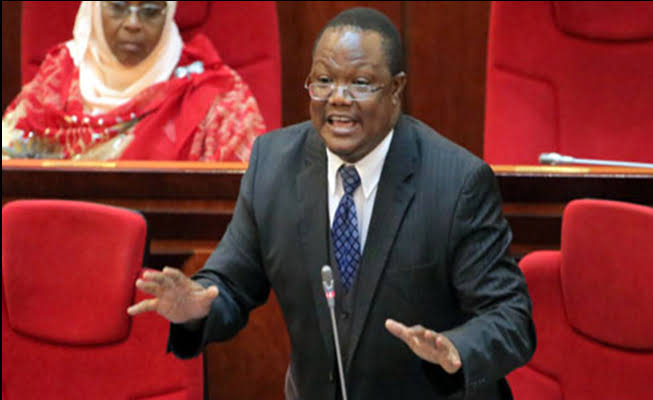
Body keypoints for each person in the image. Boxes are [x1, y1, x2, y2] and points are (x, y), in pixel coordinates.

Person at [128, 7, 536, 399]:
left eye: (360, 83)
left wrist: (456, 348)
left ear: (396, 90)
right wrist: (196, 305)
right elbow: (231, 284)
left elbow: (510, 316)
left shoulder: (456, 182)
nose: (338, 98)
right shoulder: (273, 165)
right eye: (324, 81)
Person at [2, 1, 265, 161]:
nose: (133, 23)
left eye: (150, 11)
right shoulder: (58, 76)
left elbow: (244, 198)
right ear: (94, 7)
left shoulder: (216, 95)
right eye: (118, 6)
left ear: (169, 12)